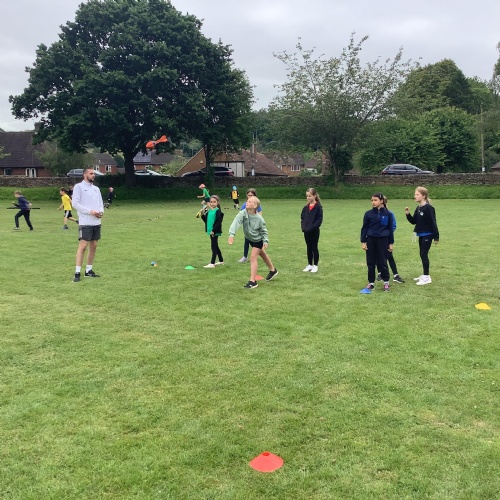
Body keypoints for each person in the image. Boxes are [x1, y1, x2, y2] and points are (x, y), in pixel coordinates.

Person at [228, 196, 278, 288]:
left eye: (250, 201)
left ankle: (253, 281)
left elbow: (264, 231)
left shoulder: (259, 219)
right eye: (247, 201)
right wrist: (232, 234)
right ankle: (273, 270)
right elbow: (236, 222)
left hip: (258, 240)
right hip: (250, 239)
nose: (247, 202)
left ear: (255, 206)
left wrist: (265, 241)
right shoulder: (243, 213)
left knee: (253, 258)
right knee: (263, 254)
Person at [71, 168, 104, 282]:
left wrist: (101, 212)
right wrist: (90, 211)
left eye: (94, 173)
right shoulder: (78, 187)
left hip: (96, 221)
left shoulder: (96, 189)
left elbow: (100, 203)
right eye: (91, 173)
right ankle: (77, 272)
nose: (93, 175)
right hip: (85, 221)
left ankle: (88, 270)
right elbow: (75, 204)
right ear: (85, 175)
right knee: (83, 246)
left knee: (94, 245)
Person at [360, 192, 395, 292]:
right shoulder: (368, 214)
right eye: (372, 200)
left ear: (381, 201)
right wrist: (363, 241)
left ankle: (386, 282)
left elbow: (390, 229)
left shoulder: (388, 214)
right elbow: (364, 228)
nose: (373, 202)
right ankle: (371, 283)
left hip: (383, 240)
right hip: (371, 240)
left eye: (375, 200)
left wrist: (390, 243)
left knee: (382, 262)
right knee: (370, 262)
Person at [405, 186, 439, 286]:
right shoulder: (419, 207)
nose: (415, 196)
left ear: (423, 196)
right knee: (422, 254)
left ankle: (427, 277)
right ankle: (424, 275)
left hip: (428, 234)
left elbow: (433, 222)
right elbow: (414, 221)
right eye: (415, 194)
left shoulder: (429, 208)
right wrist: (408, 214)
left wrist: (436, 236)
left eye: (417, 194)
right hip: (421, 234)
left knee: (424, 254)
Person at [377, 196, 404, 283]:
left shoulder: (389, 214)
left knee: (389, 256)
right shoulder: (374, 213)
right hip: (376, 239)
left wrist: (386, 234)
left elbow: (393, 226)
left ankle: (396, 275)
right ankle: (380, 273)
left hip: (386, 238)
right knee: (378, 256)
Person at [301, 188, 323, 273]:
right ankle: (309, 264)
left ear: (314, 196)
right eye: (307, 196)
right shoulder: (305, 208)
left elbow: (319, 220)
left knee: (314, 247)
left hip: (314, 231)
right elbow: (302, 218)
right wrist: (303, 227)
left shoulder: (318, 207)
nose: (308, 198)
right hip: (306, 231)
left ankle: (315, 265)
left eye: (310, 196)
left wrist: (312, 228)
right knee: (308, 247)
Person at [238, 188, 262, 263]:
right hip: (247, 226)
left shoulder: (257, 205)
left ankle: (261, 253)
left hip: (255, 226)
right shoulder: (244, 205)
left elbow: (260, 216)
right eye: (249, 195)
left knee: (255, 242)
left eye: (252, 195)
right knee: (247, 240)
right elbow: (241, 215)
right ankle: (245, 256)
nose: (250, 196)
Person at [201, 195, 224, 268]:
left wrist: (213, 230)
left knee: (213, 246)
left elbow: (218, 222)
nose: (212, 203)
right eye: (211, 202)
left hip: (214, 231)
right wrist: (202, 214)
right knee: (216, 245)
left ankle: (212, 263)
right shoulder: (209, 211)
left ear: (217, 203)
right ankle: (221, 260)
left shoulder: (218, 211)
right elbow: (206, 220)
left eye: (214, 202)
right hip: (210, 231)